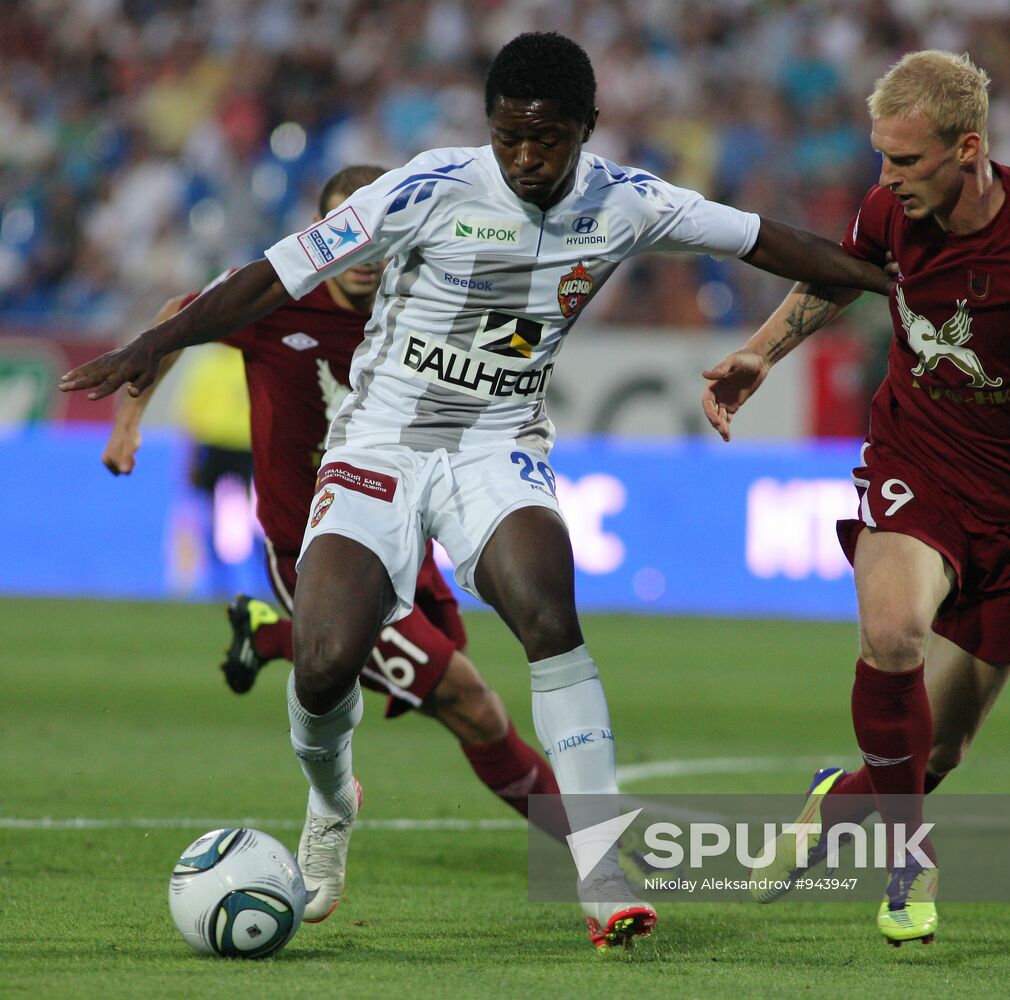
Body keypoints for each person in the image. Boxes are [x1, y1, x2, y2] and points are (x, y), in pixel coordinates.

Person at [61, 31, 887, 951]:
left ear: (588, 128)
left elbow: (769, 242)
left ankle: (599, 868)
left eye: (548, 141)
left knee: (547, 609)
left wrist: (892, 277)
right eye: (509, 140)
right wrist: (147, 347)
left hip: (497, 448)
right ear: (488, 129)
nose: (527, 160)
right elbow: (272, 274)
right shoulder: (427, 187)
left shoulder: (628, 201)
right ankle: (330, 806)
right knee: (328, 659)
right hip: (379, 445)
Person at [702, 50, 1010, 945]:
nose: (885, 179)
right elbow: (837, 275)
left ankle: (843, 803)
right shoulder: (889, 212)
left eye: (905, 162)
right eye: (880, 157)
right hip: (919, 460)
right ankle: (907, 859)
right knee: (894, 630)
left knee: (937, 750)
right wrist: (761, 350)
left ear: (967, 148)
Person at [101, 165, 564, 921]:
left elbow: (509, 348)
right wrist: (130, 421)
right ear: (321, 238)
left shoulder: (423, 301)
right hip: (314, 553)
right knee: (471, 705)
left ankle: (272, 640)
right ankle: (584, 851)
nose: (371, 255)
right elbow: (177, 318)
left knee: (451, 676)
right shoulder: (273, 297)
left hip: (408, 543)